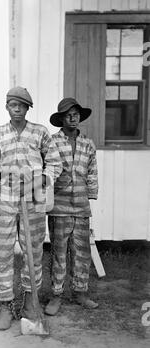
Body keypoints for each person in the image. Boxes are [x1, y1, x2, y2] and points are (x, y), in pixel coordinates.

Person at [0, 86, 62, 331]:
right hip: (6, 202)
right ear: (7, 107)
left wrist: (41, 180)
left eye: (22, 105)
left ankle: (30, 303)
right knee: (2, 254)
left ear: (28, 108)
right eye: (13, 105)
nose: (17, 109)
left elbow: (54, 163)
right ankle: (5, 305)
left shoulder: (40, 133)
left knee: (32, 252)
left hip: (33, 203)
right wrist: (1, 174)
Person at [45, 97, 99, 316]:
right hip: (59, 207)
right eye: (68, 115)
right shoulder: (53, 142)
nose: (72, 118)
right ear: (61, 119)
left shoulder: (88, 143)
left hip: (81, 207)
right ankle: (56, 295)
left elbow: (92, 171)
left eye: (75, 114)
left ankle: (80, 292)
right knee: (59, 252)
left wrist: (91, 193)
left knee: (81, 252)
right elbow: (48, 170)